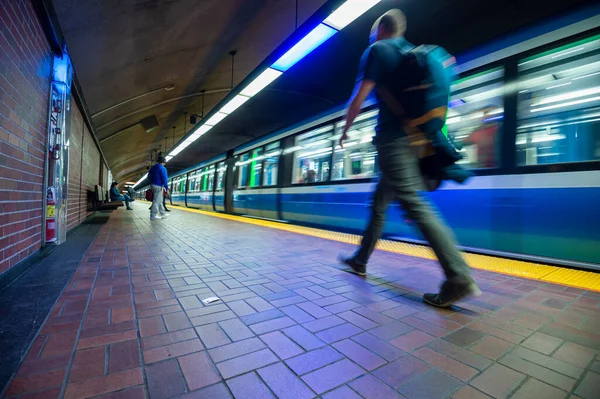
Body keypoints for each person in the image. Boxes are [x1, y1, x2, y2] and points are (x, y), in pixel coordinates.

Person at [338, 9, 480, 308]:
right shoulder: (411, 54)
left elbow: (359, 96)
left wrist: (345, 128)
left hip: (393, 141)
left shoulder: (377, 50)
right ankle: (360, 260)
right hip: (415, 140)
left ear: (381, 30)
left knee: (412, 203)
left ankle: (458, 277)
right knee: (379, 203)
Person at [148, 155, 170, 220]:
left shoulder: (153, 167)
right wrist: (166, 188)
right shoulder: (163, 168)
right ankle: (152, 216)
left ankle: (163, 214)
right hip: (158, 186)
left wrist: (153, 181)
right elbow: (164, 179)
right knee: (156, 201)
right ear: (164, 162)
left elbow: (148, 177)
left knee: (159, 200)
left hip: (153, 185)